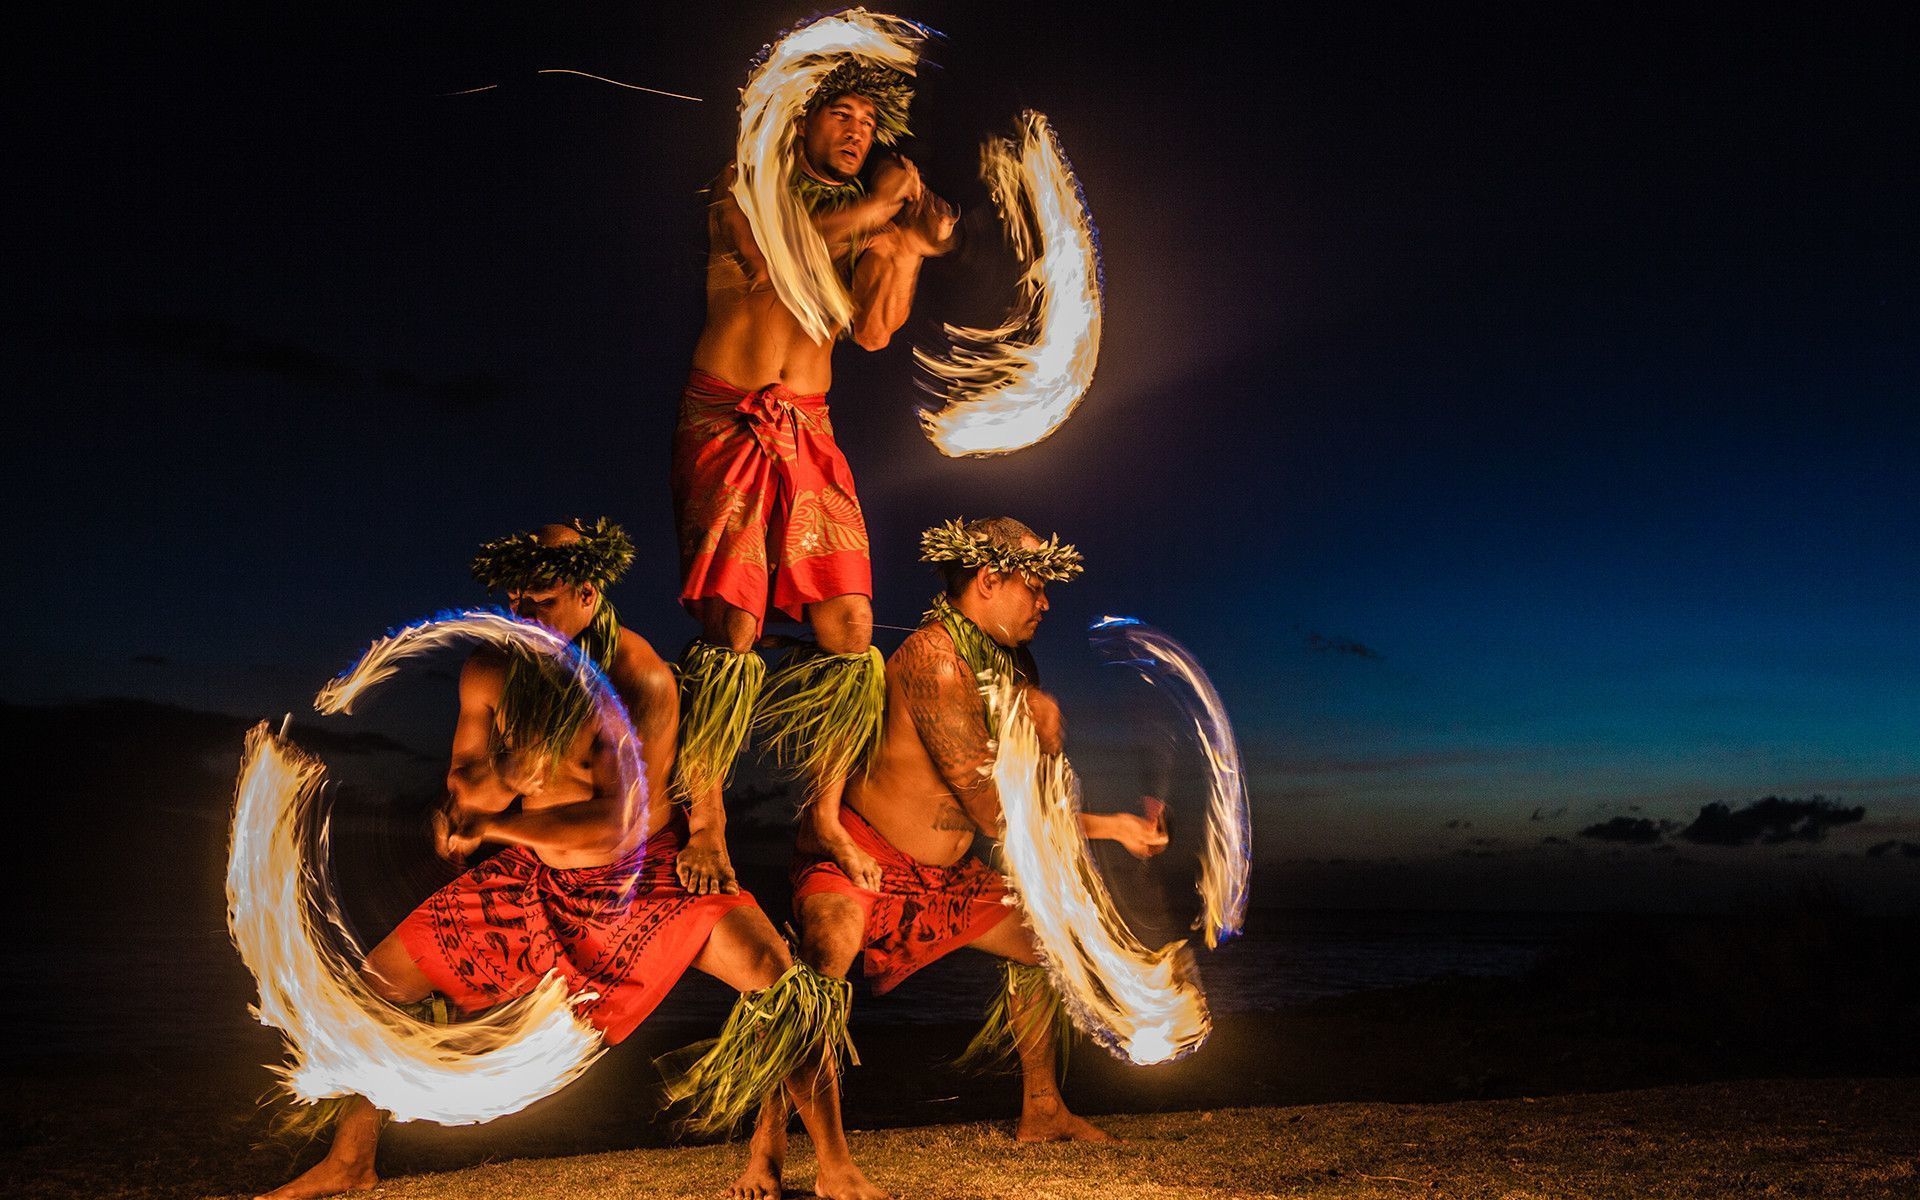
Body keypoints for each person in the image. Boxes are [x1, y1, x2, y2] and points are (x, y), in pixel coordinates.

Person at [258, 519, 874, 1200]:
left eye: (542, 601)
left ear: (588, 593)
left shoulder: (640, 677)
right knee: (376, 986)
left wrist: (495, 818)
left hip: (644, 877)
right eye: (516, 601)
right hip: (536, 875)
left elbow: (614, 829)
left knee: (781, 984)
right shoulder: (492, 668)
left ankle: (833, 1165)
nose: (523, 614)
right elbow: (464, 779)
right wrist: (497, 784)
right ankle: (351, 1162)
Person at [733, 517, 1170, 1198]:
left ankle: (1043, 1110)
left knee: (1043, 943)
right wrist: (1107, 826)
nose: (1046, 601)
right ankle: (789, 1155)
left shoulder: (1012, 664)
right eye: (1036, 584)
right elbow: (990, 809)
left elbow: (1022, 783)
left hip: (943, 878)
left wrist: (1048, 743)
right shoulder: (935, 659)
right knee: (816, 980)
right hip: (863, 860)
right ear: (989, 581)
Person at [672, 56, 957, 895]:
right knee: (733, 627)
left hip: (813, 432)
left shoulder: (860, 219)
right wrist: (884, 205)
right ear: (800, 120)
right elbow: (781, 258)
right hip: (728, 421)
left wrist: (907, 247)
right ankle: (709, 820)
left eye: (871, 123)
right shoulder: (748, 185)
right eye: (843, 115)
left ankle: (822, 814)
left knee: (851, 628)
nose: (858, 132)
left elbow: (870, 330)